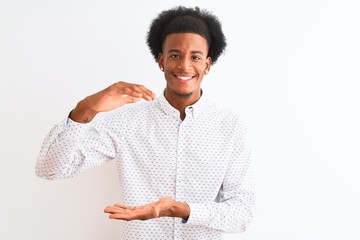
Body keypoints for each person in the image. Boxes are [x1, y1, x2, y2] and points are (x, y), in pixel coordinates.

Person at [35, 5, 255, 239]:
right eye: (174, 55)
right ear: (161, 61)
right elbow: (50, 170)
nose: (184, 65)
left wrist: (179, 209)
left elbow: (242, 212)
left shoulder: (230, 127)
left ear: (207, 65)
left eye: (195, 57)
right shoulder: (127, 121)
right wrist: (86, 108)